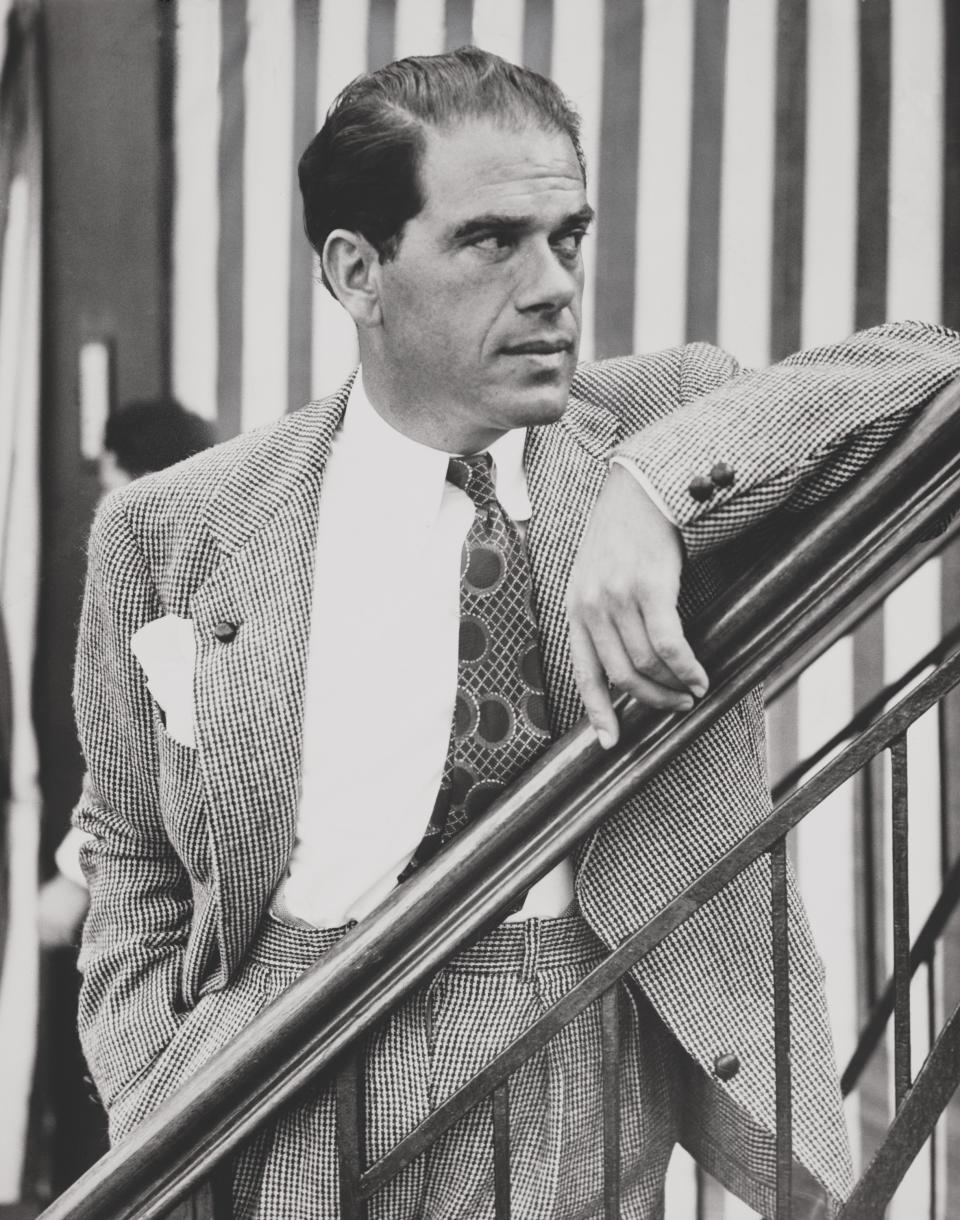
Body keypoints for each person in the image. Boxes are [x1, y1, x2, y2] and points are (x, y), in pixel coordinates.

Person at [71, 48, 960, 1220]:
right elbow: (129, 848)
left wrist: (657, 490)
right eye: (493, 241)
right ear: (357, 270)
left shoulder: (660, 421)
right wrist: (152, 1087)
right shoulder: (172, 524)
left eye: (569, 237)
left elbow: (930, 371)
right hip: (278, 1069)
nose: (553, 287)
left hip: (572, 1050)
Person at [39, 399, 216, 949]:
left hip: (162, 876)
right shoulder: (221, 546)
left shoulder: (149, 567)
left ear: (120, 468)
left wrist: (73, 877)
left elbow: (135, 746)